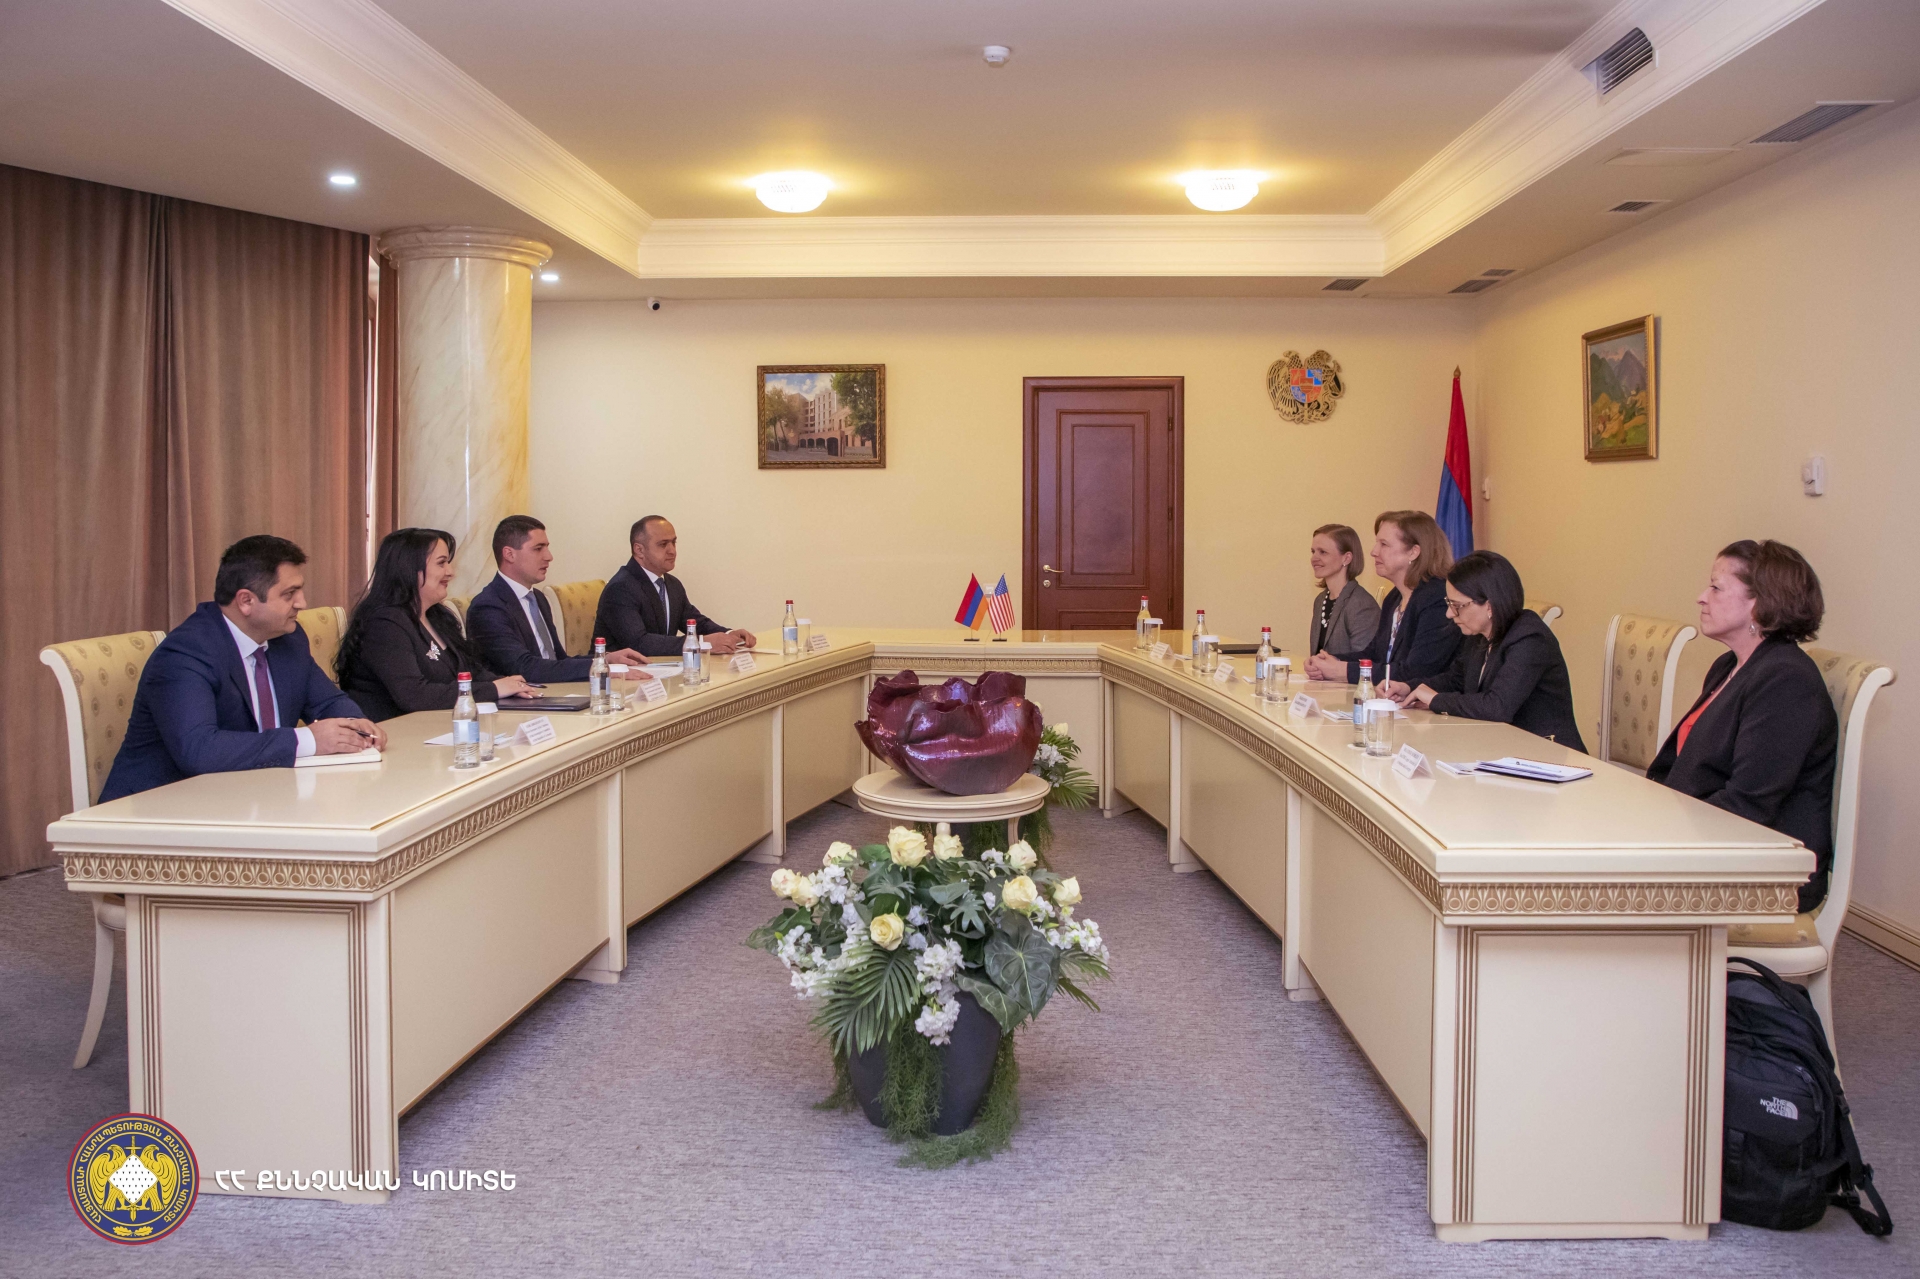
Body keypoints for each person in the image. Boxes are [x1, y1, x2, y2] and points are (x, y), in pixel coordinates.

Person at [99, 536, 385, 802]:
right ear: (246, 601)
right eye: (289, 594)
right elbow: (199, 750)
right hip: (158, 808)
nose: (302, 603)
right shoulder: (187, 652)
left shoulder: (288, 639)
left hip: (249, 797)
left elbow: (328, 702)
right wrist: (308, 739)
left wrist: (356, 725)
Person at [1647, 540, 1837, 911]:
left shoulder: (1786, 680)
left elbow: (1747, 804)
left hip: (1766, 868)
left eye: (1716, 587)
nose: (1702, 597)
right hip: (1715, 839)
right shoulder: (1729, 666)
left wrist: (1662, 834)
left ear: (1760, 603)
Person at [335, 528, 538, 722]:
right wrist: (494, 689)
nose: (450, 572)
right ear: (409, 569)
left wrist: (511, 684)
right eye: (441, 563)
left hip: (438, 726)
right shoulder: (384, 624)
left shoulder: (437, 616)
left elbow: (470, 671)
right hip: (395, 733)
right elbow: (414, 695)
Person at [1389, 550, 1585, 750]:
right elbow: (1456, 680)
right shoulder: (1479, 634)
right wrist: (1409, 688)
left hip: (1547, 753)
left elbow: (1497, 706)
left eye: (1457, 605)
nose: (1449, 613)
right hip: (1502, 747)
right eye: (1449, 603)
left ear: (1490, 606)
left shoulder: (1530, 638)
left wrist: (1435, 700)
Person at [466, 515, 650, 683]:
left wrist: (605, 659)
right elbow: (524, 668)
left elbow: (558, 660)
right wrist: (601, 668)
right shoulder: (488, 607)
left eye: (547, 547)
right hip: (521, 700)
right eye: (538, 549)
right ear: (509, 554)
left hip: (553, 691)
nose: (549, 557)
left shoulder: (538, 598)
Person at [1305, 510, 1461, 686]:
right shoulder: (1394, 598)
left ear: (1413, 552)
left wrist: (1343, 671)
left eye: (1384, 544)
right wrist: (1330, 661)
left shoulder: (1437, 599)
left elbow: (1417, 670)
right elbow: (1374, 655)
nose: (1374, 552)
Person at [594, 515, 757, 658]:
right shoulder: (621, 588)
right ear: (639, 550)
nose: (672, 551)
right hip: (618, 676)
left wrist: (729, 634)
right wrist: (701, 643)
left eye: (673, 542)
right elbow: (639, 643)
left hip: (659, 671)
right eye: (663, 544)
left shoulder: (672, 584)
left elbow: (694, 622)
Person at [1306, 523, 1381, 658]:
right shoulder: (1320, 600)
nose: (1314, 558)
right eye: (1313, 551)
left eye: (1323, 552)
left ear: (1346, 558)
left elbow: (1363, 661)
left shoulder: (1362, 604)